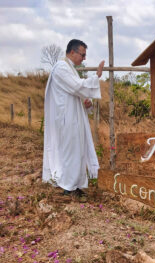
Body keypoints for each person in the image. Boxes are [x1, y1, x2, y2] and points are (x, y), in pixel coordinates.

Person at [42, 39, 105, 196]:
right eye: (82, 55)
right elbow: (77, 86)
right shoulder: (62, 68)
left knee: (77, 151)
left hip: (72, 118)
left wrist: (85, 100)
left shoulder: (69, 68)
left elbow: (75, 91)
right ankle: (68, 187)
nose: (84, 59)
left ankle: (75, 184)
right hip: (66, 120)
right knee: (71, 152)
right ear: (72, 52)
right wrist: (96, 77)